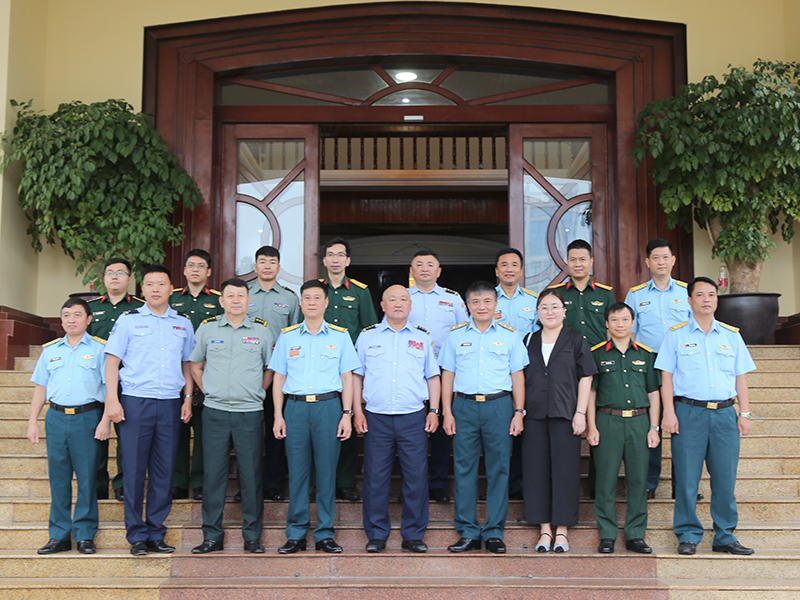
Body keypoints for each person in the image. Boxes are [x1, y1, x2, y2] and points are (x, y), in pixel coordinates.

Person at [656, 276, 756, 556]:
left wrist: (745, 413)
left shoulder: (731, 335)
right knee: (687, 479)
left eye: (711, 295)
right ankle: (687, 534)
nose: (706, 300)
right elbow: (666, 378)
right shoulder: (676, 335)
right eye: (700, 295)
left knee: (725, 479)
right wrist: (669, 413)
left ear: (717, 300)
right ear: (690, 301)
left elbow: (741, 378)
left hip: (725, 414)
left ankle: (725, 535)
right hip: (689, 413)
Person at [104, 265, 195, 556]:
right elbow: (111, 364)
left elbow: (187, 365)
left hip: (169, 402)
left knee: (164, 471)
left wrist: (188, 398)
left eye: (161, 284)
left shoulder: (182, 323)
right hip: (134, 402)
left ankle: (156, 532)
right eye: (149, 284)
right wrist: (112, 401)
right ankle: (136, 535)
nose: (155, 289)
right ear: (141, 290)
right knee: (132, 470)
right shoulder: (128, 320)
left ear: (172, 289)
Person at [269, 279, 360, 554]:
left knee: (326, 472)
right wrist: (277, 415)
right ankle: (296, 533)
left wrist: (347, 414)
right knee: (297, 473)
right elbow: (278, 377)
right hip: (295, 408)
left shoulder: (340, 336)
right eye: (306, 298)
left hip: (328, 407)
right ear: (301, 303)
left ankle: (324, 534)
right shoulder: (287, 337)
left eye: (316, 298)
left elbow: (347, 377)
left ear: (325, 303)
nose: (311, 302)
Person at [439, 281, 527, 555]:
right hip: (464, 406)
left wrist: (519, 412)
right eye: (476, 302)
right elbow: (447, 376)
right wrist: (447, 411)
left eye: (487, 301)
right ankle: (467, 531)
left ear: (495, 305)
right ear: (467, 306)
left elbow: (518, 377)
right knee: (464, 469)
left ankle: (494, 532)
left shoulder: (511, 336)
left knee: (499, 469)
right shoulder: (454, 336)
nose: (481, 307)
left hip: (499, 406)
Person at [189, 278, 274, 554]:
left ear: (248, 301)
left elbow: (269, 369)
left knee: (251, 476)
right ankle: (212, 536)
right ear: (221, 301)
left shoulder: (262, 331)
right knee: (213, 476)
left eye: (241, 295)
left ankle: (252, 536)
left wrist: (257, 393)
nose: (236, 300)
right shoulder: (207, 328)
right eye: (230, 296)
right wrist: (209, 391)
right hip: (214, 412)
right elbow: (196, 365)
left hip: (249, 413)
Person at [354, 284, 441, 553]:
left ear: (410, 305)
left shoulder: (422, 338)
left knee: (416, 477)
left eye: (404, 299)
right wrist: (356, 410)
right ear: (382, 305)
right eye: (392, 299)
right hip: (376, 417)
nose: (398, 303)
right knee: (375, 479)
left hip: (413, 416)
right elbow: (356, 376)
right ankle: (377, 534)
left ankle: (413, 534)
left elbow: (433, 376)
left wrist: (434, 410)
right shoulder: (367, 337)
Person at [28, 298, 111, 555]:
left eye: (77, 314)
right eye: (66, 315)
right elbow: (41, 387)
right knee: (59, 479)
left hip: (87, 418)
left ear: (88, 319)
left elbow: (110, 388)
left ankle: (85, 535)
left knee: (87, 478)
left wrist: (106, 420)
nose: (71, 319)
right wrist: (33, 422)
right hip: (55, 418)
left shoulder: (100, 349)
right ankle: (59, 536)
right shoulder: (50, 350)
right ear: (61, 320)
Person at [521, 289, 596, 554]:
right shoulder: (528, 339)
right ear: (537, 312)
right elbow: (518, 376)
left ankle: (562, 530)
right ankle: (544, 529)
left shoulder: (576, 339)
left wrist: (581, 413)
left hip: (566, 414)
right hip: (534, 414)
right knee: (535, 471)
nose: (549, 312)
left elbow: (586, 377)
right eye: (544, 307)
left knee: (565, 472)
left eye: (555, 306)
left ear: (564, 311)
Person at [587, 302, 660, 554]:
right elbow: (591, 393)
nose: (620, 324)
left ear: (633, 323)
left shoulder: (646, 354)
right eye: (615, 320)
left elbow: (654, 393)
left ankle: (635, 535)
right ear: (606, 324)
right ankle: (607, 535)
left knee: (638, 480)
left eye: (625, 319)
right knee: (605, 480)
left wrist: (654, 427)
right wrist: (591, 426)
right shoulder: (597, 354)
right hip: (608, 421)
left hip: (640, 422)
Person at [624, 238, 690, 500]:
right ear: (647, 262)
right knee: (651, 423)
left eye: (665, 257)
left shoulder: (687, 292)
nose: (661, 262)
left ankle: (683, 485)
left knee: (683, 426)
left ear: (673, 260)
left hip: (681, 366)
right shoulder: (636, 294)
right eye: (656, 258)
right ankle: (650, 483)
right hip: (648, 365)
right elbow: (629, 331)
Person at [320, 237, 378, 502]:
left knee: (347, 423)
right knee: (318, 425)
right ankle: (319, 483)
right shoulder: (314, 291)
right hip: (318, 367)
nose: (335, 260)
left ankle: (344, 482)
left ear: (348, 261)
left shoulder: (359, 291)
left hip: (348, 370)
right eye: (330, 255)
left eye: (340, 255)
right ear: (324, 260)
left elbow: (369, 330)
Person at [407, 249, 467, 503]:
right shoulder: (402, 297)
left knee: (442, 427)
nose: (424, 268)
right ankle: (414, 485)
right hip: (409, 369)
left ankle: (438, 483)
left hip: (443, 370)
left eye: (430, 264)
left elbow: (465, 332)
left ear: (438, 271)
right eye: (419, 264)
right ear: (411, 271)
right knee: (411, 427)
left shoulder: (452, 299)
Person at [246, 245, 300, 502]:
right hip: (248, 374)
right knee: (249, 433)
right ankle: (250, 484)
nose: (267, 266)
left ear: (279, 267)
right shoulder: (244, 295)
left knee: (276, 431)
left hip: (279, 376)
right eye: (262, 262)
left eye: (272, 262)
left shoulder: (290, 298)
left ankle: (273, 483)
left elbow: (295, 335)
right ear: (255, 267)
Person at [169, 249, 223, 501]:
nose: (195, 270)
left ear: (208, 272)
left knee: (204, 435)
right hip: (174, 376)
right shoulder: (172, 300)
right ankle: (178, 482)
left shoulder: (218, 300)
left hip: (208, 376)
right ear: (184, 270)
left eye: (201, 266)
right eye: (190, 265)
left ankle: (200, 482)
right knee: (177, 434)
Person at [88, 257, 143, 502]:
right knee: (96, 434)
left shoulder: (141, 308)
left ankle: (122, 483)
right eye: (110, 272)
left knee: (126, 435)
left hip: (129, 380)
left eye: (120, 273)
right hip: (95, 381)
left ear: (130, 279)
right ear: (104, 278)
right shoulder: (90, 308)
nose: (114, 277)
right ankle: (98, 483)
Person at [494, 247, 539, 500]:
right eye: (504, 264)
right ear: (497, 270)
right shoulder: (488, 300)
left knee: (523, 429)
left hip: (526, 375)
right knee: (499, 431)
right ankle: (500, 484)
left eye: (514, 264)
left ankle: (519, 483)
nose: (509, 269)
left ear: (521, 270)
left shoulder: (533, 301)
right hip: (496, 376)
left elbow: (537, 338)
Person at [548, 239, 615, 347]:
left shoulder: (605, 294)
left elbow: (612, 329)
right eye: (573, 260)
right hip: (566, 355)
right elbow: (548, 327)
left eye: (582, 259)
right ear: (567, 262)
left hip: (596, 356)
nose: (577, 264)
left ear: (591, 261)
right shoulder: (556, 294)